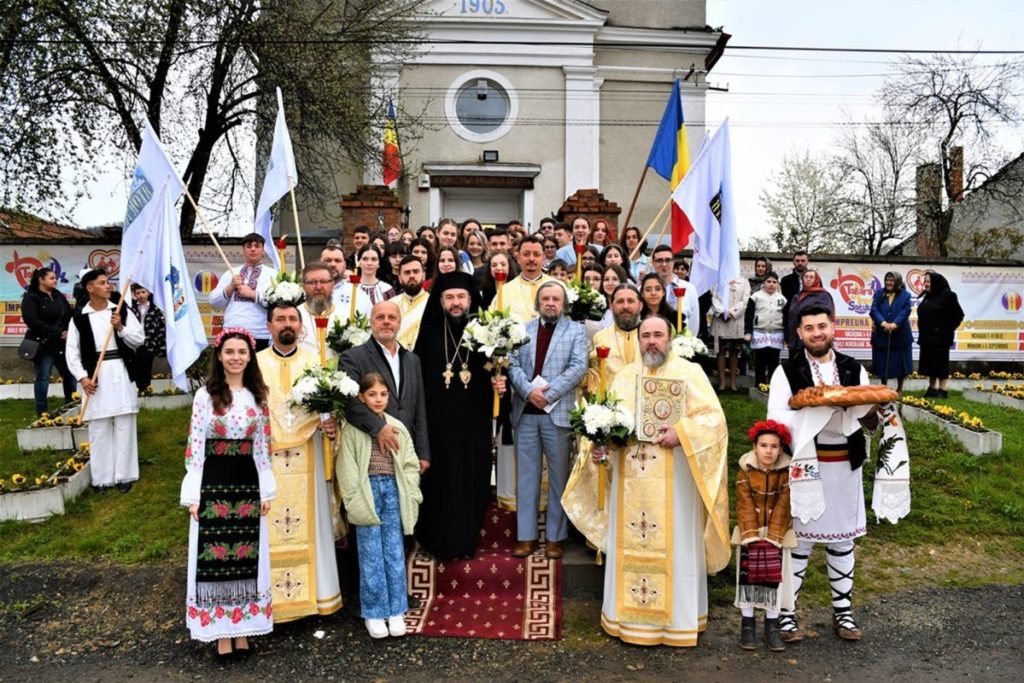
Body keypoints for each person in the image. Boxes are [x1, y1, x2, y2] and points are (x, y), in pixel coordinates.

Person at [592, 316, 730, 647]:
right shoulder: (624, 378)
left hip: (677, 481)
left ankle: (677, 625)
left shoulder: (690, 373)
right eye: (646, 335)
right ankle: (627, 622)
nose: (652, 341)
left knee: (677, 546)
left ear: (670, 338)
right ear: (639, 339)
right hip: (630, 482)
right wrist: (601, 447)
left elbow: (715, 421)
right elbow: (608, 424)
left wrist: (681, 432)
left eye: (658, 335)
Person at [767, 305, 880, 643]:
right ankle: (787, 614)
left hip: (845, 464)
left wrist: (874, 413)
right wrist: (815, 412)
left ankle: (843, 611)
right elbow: (775, 419)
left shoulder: (852, 368)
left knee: (843, 540)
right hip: (806, 464)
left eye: (822, 326)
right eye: (809, 328)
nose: (817, 333)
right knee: (800, 541)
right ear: (799, 334)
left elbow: (866, 416)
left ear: (833, 328)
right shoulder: (786, 371)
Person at [180, 328, 275, 655]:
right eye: (230, 352)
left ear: (250, 357)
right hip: (214, 478)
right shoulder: (204, 397)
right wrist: (194, 493)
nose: (236, 357)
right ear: (219, 356)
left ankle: (244, 628)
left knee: (247, 554)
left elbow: (263, 446)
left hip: (247, 478)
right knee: (216, 557)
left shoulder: (258, 396)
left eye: (242, 352)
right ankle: (221, 633)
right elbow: (195, 445)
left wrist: (265, 490)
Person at [257, 302, 342, 621]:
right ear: (269, 326)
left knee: (314, 521)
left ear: (301, 325)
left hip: (310, 454)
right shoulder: (254, 364)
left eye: (292, 318)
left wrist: (332, 422)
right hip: (268, 458)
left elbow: (329, 411)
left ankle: (319, 597)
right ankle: (271, 603)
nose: (286, 324)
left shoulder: (317, 363)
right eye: (280, 319)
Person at [413, 272, 500, 559]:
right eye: (449, 297)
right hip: (436, 424)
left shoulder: (485, 333)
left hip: (473, 422)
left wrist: (500, 382)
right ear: (439, 301)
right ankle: (434, 541)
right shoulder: (428, 332)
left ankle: (465, 541)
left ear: (471, 299)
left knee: (471, 477)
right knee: (438, 481)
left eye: (461, 297)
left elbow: (495, 369)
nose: (455, 303)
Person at [337, 372, 422, 639]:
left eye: (383, 394)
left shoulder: (397, 427)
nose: (378, 399)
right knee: (370, 554)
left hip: (393, 491)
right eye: (372, 394)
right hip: (367, 492)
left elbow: (409, 463)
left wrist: (411, 491)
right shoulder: (352, 429)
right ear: (361, 397)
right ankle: (374, 612)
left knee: (395, 551)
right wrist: (354, 500)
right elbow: (347, 469)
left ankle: (396, 609)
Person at [507, 282, 588, 559]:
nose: (550, 303)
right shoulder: (522, 330)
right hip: (526, 412)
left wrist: (548, 394)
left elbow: (578, 366)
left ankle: (555, 537)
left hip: (558, 413)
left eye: (556, 299)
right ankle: (526, 536)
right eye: (545, 298)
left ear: (563, 303)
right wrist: (529, 391)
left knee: (558, 478)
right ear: (538, 302)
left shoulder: (576, 330)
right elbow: (512, 364)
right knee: (526, 477)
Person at [66, 268, 145, 493]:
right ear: (90, 288)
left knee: (124, 423)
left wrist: (120, 327)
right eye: (102, 283)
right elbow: (72, 352)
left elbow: (139, 339)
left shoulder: (120, 310)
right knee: (99, 427)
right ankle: (102, 478)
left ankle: (125, 475)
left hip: (119, 370)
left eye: (108, 282)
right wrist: (82, 377)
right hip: (95, 375)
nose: (107, 286)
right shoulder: (80, 318)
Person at [340, 301, 430, 475]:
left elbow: (419, 408)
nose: (386, 321)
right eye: (380, 317)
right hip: (371, 448)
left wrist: (423, 451)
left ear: (399, 323)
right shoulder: (352, 357)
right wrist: (379, 427)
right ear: (371, 322)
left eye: (392, 317)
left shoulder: (413, 360)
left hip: (406, 449)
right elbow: (349, 402)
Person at [734, 419, 794, 652]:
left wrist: (774, 536)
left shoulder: (787, 472)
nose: (768, 451)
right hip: (750, 534)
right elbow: (744, 502)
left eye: (774, 446)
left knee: (773, 582)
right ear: (754, 446)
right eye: (763, 445)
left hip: (776, 536)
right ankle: (747, 626)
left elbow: (784, 505)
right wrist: (751, 533)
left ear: (781, 449)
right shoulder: (745, 470)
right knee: (748, 580)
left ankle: (772, 627)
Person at [21, 267, 76, 414]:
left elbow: (69, 314)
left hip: (62, 344)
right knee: (43, 377)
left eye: (55, 277)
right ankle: (42, 412)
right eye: (51, 278)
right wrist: (56, 332)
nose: (55, 280)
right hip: (44, 344)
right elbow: (32, 320)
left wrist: (67, 331)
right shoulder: (31, 297)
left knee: (70, 375)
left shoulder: (58, 295)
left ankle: (72, 407)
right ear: (41, 280)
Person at [209, 232, 276, 351]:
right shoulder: (231, 273)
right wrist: (230, 287)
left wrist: (253, 295)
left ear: (263, 250)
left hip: (260, 334)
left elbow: (278, 304)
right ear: (243, 250)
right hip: (232, 332)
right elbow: (214, 303)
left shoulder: (273, 274)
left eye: (257, 246)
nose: (253, 249)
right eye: (249, 246)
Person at [916, 271, 965, 398]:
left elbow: (958, 315)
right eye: (925, 281)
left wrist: (945, 329)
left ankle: (943, 390)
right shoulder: (928, 296)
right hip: (927, 337)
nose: (926, 284)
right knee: (929, 364)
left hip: (940, 338)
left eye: (928, 281)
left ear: (936, 282)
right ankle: (932, 388)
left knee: (940, 363)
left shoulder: (948, 295)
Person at [587, 284, 643, 393]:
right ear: (611, 306)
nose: (625, 306)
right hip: (610, 405)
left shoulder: (652, 337)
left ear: (640, 306)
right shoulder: (600, 338)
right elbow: (592, 378)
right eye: (620, 301)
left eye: (631, 301)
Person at [491, 235, 554, 324]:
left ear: (543, 258)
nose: (531, 259)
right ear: (518, 258)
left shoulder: (557, 286)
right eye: (526, 254)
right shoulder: (505, 291)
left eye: (536, 254)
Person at [869, 271, 914, 393]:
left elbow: (905, 311)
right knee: (882, 362)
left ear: (897, 282)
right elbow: (874, 309)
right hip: (881, 333)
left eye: (892, 280)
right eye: (887, 280)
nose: (889, 283)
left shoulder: (905, 296)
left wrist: (895, 324)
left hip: (900, 335)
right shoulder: (879, 294)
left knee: (900, 363)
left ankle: (899, 388)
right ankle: (883, 386)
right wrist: (882, 322)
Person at [744, 271, 787, 386]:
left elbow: (786, 317)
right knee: (760, 360)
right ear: (764, 282)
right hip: (760, 332)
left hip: (776, 333)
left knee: (774, 361)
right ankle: (760, 384)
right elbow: (749, 315)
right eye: (768, 281)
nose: (771, 284)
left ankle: (772, 386)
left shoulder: (783, 299)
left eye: (774, 282)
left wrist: (786, 335)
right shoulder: (755, 297)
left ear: (778, 284)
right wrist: (748, 332)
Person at [711, 276, 752, 392]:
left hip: (736, 320)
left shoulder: (744, 281)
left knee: (734, 352)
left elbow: (745, 300)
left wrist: (732, 312)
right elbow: (713, 298)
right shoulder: (718, 279)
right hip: (720, 320)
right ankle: (722, 383)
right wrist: (722, 312)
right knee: (721, 351)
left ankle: (733, 383)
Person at [785, 270, 834, 356]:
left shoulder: (823, 296)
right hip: (794, 340)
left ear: (817, 280)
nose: (808, 279)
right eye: (806, 277)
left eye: (811, 277)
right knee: (794, 367)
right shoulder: (797, 297)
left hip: (812, 340)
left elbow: (825, 316)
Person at [650, 246, 698, 333]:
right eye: (659, 260)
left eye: (668, 260)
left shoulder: (689, 289)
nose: (664, 264)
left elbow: (694, 324)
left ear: (673, 262)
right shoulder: (643, 290)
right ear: (653, 263)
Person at [128, 284, 166, 393]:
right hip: (134, 342)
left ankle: (145, 389)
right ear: (134, 294)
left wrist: (160, 345)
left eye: (143, 292)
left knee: (146, 366)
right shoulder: (131, 308)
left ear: (148, 293)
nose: (141, 295)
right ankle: (137, 389)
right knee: (135, 366)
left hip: (150, 342)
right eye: (138, 293)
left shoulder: (155, 308)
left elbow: (160, 327)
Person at [322, 242, 372, 317]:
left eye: (337, 261)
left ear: (345, 265)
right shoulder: (306, 293)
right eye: (328, 260)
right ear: (319, 263)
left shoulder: (359, 295)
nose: (333, 264)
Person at [391, 256, 431, 350]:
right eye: (407, 272)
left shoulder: (434, 303)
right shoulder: (391, 304)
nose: (412, 275)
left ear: (423, 275)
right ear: (400, 278)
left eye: (416, 271)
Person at [780, 251, 809, 342]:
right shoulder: (785, 280)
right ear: (793, 262)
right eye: (797, 260)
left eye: (803, 260)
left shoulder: (813, 278)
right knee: (793, 349)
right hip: (791, 321)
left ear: (807, 262)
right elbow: (783, 304)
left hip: (809, 319)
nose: (800, 263)